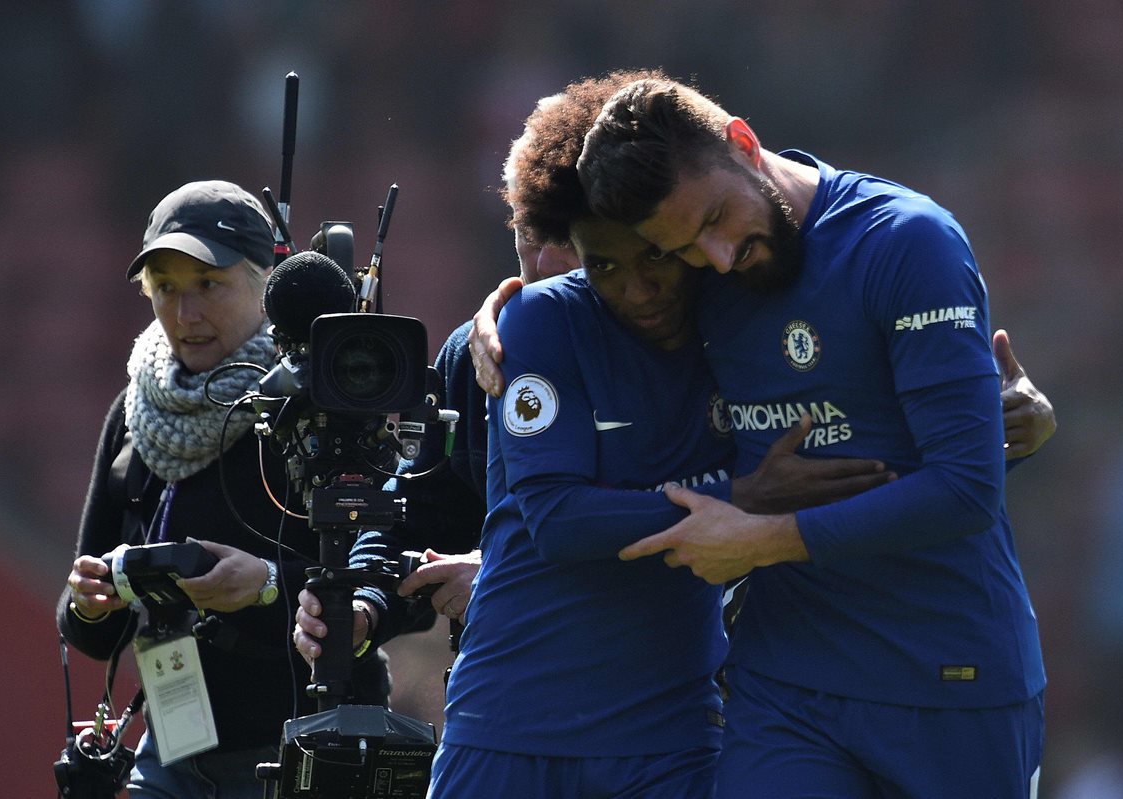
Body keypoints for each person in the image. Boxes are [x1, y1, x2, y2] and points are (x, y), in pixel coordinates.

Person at [424, 72, 908, 799]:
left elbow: (878, 434)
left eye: (652, 255)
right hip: (512, 722)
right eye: (604, 266)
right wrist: (739, 496)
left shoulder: (740, 328)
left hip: (669, 738)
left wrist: (1009, 423)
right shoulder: (541, 324)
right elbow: (558, 518)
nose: (636, 288)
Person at [574, 77, 1047, 797]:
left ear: (742, 142)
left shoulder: (905, 241)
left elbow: (966, 488)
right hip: (788, 689)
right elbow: (561, 281)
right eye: (688, 247)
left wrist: (766, 538)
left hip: (952, 678)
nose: (722, 257)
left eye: (717, 219)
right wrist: (488, 323)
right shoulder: (698, 281)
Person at [56, 180, 392, 798]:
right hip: (172, 751)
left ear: (268, 284)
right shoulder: (134, 414)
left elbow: (383, 584)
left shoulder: (323, 408)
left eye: (209, 285)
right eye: (166, 289)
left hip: (307, 753)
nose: (185, 314)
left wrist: (266, 586)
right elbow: (90, 632)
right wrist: (89, 602)